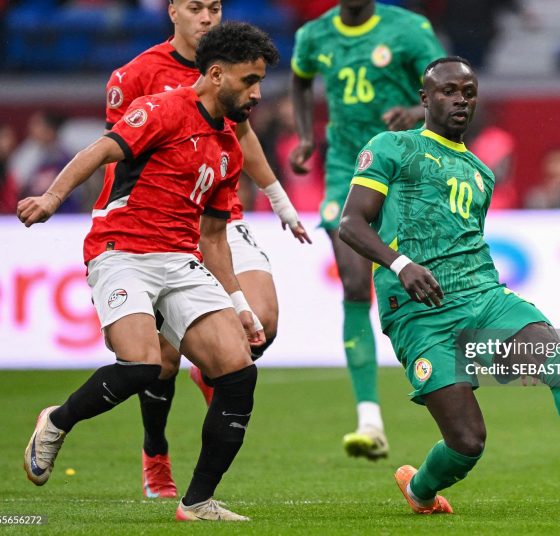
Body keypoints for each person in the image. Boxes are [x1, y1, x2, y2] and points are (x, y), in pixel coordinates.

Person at [338, 56, 560, 516]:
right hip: (418, 313)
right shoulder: (392, 147)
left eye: (468, 92)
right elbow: (351, 223)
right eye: (448, 91)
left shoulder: (482, 174)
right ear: (425, 99)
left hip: (483, 299)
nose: (460, 99)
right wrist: (401, 263)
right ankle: (421, 489)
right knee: (467, 443)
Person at [19, 21, 277, 522]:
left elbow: (214, 237)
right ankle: (57, 420)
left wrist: (241, 305)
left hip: (182, 260)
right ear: (217, 73)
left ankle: (197, 502)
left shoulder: (228, 148)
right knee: (142, 366)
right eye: (249, 81)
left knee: (239, 372)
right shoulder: (163, 109)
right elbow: (101, 150)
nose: (258, 93)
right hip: (122, 251)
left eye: (260, 81)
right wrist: (53, 197)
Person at [102, 0, 310, 498]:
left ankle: (210, 360)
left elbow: (243, 136)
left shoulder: (235, 68)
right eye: (195, 7)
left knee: (263, 322)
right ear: (172, 11)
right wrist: (118, 223)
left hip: (220, 217)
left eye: (214, 7)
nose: (206, 17)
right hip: (161, 227)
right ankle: (156, 453)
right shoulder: (137, 74)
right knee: (162, 362)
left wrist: (280, 200)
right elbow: (116, 151)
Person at [289, 0, 445, 461]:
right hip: (345, 168)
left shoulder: (409, 29)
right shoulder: (313, 36)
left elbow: (449, 87)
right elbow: (299, 81)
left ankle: (443, 387)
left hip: (403, 166)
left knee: (427, 282)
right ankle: (369, 420)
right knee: (355, 283)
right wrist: (304, 136)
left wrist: (416, 115)